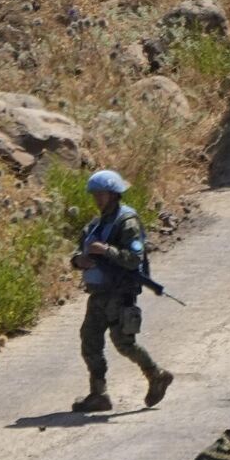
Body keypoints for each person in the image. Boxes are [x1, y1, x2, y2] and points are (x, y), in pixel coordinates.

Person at [69, 170, 173, 413]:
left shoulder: (126, 223)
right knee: (90, 341)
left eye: (101, 194)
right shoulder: (95, 224)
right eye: (94, 194)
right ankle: (98, 394)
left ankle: (156, 375)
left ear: (114, 194)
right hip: (98, 293)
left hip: (119, 292)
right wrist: (78, 261)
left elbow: (133, 259)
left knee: (123, 343)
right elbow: (78, 253)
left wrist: (106, 251)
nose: (97, 199)